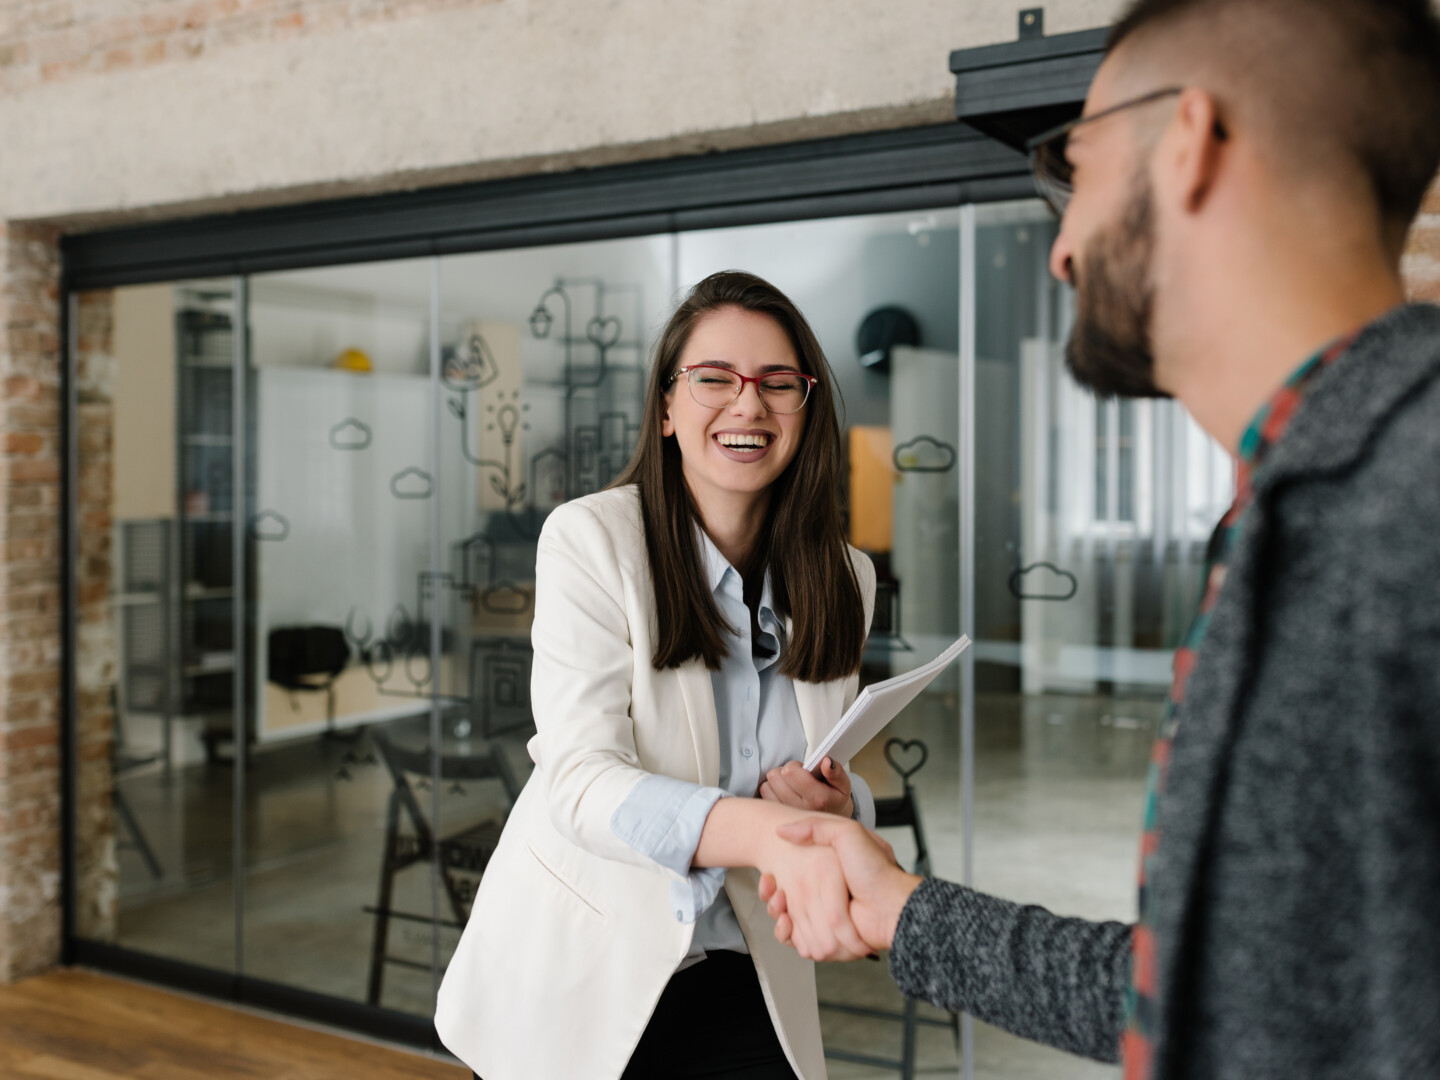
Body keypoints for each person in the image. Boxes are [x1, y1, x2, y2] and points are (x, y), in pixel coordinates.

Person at [759, 1, 1440, 1078]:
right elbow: (1212, 988)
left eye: (1075, 167)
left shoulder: (1413, 490)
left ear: (1190, 144)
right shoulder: (1290, 511)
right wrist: (905, 913)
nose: (1063, 249)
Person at [436, 270, 883, 1080]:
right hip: (582, 976)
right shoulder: (590, 541)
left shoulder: (844, 577)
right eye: (714, 379)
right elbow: (579, 782)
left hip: (750, 969)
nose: (748, 405)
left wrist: (841, 806)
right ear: (668, 409)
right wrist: (774, 835)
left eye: (778, 383)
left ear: (805, 408)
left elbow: (831, 769)